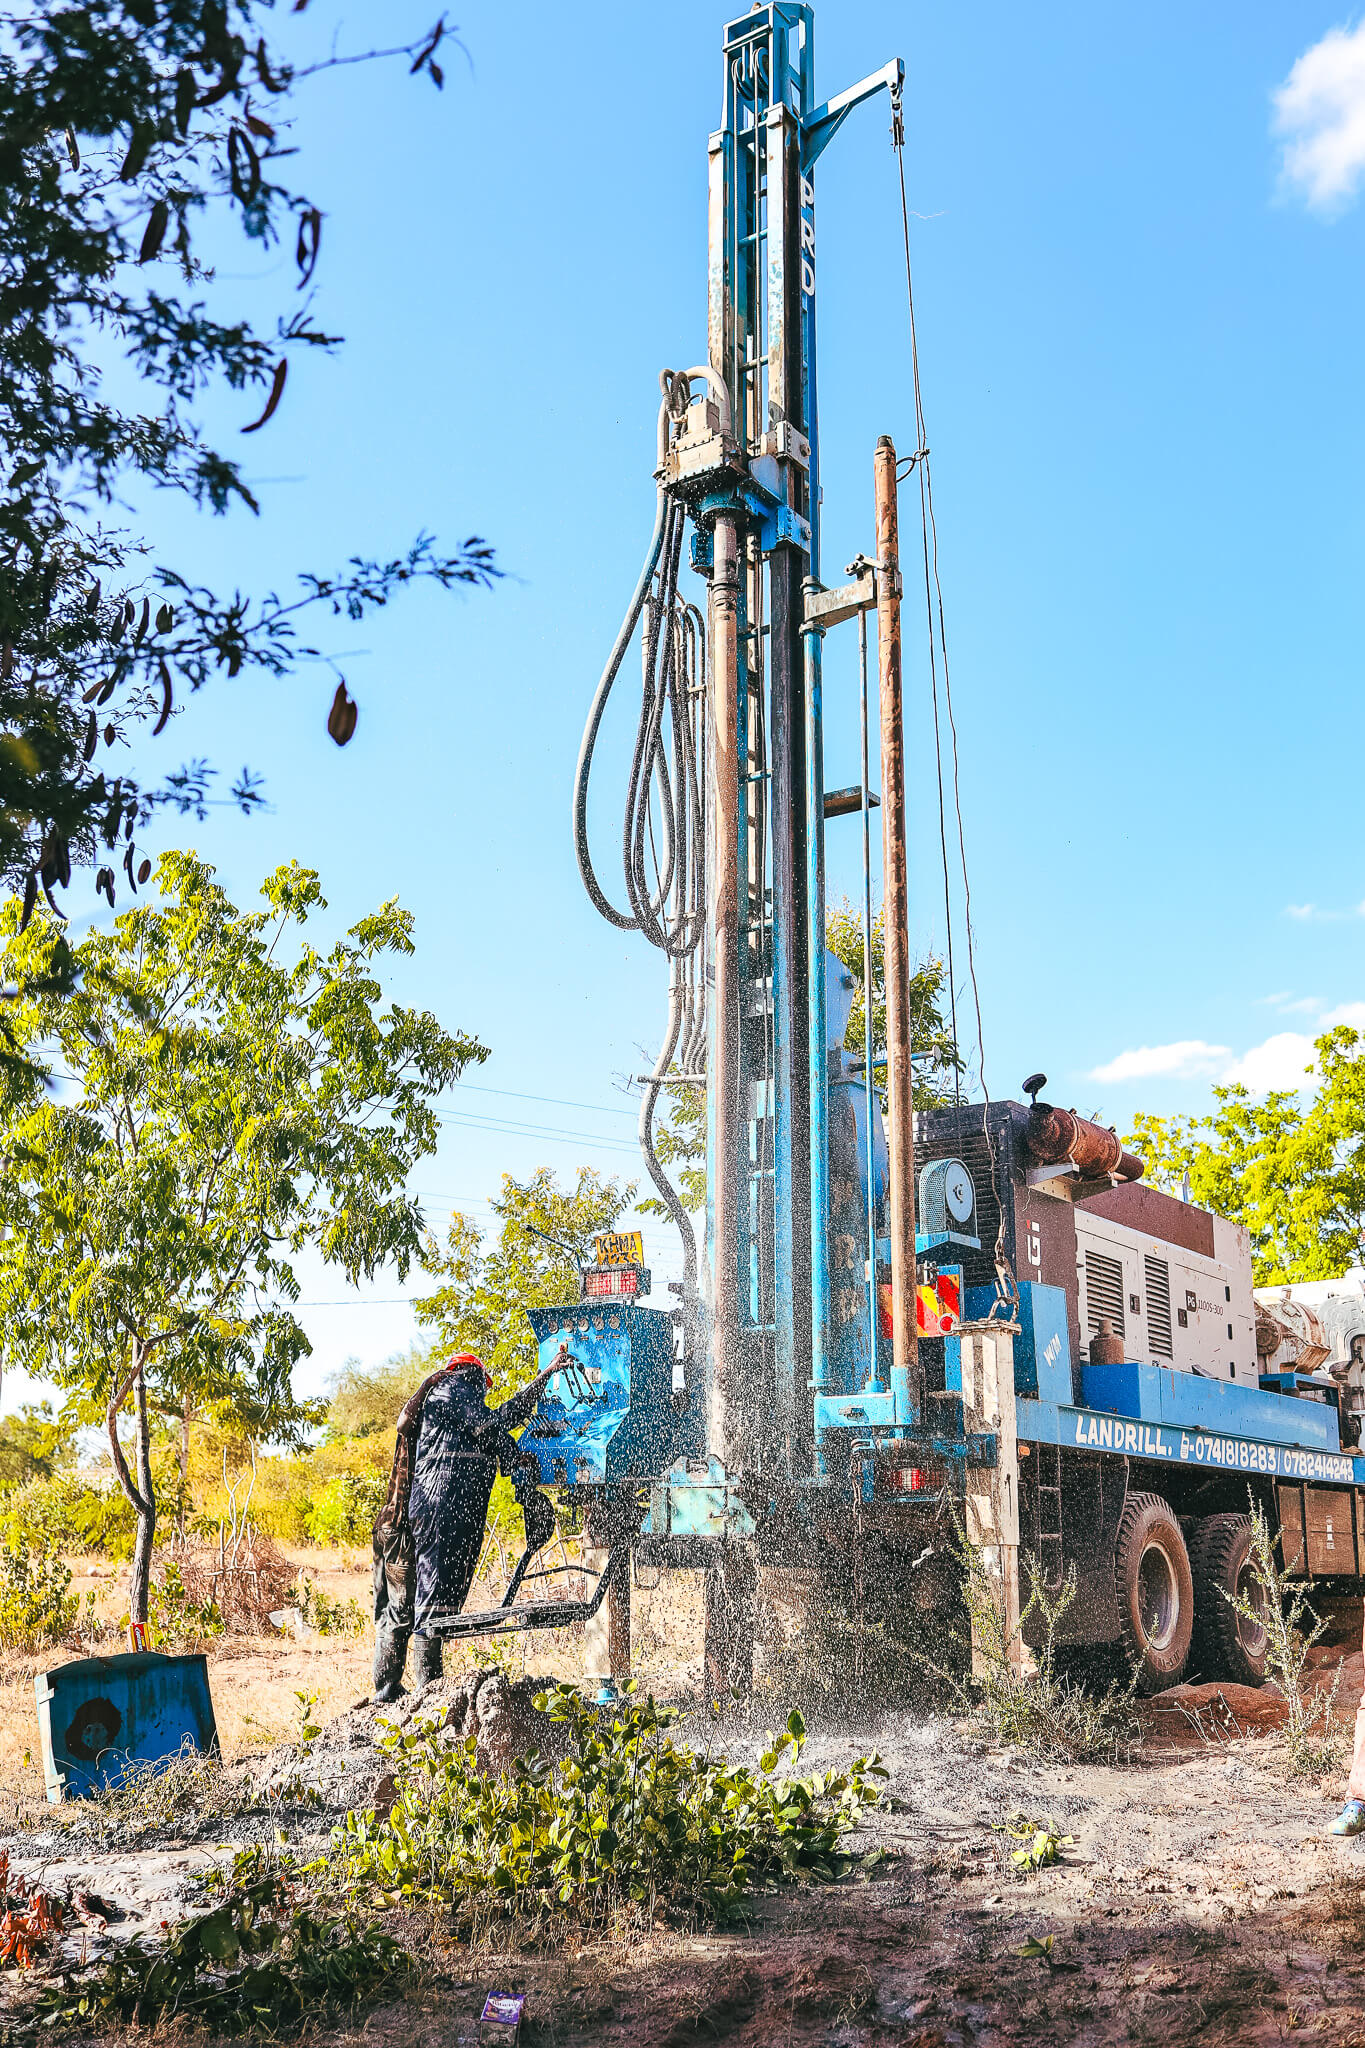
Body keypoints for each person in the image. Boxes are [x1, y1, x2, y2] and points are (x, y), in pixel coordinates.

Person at [371, 1350, 555, 1703]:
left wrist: (544, 1377)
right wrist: (517, 1454)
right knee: (423, 1603)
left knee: (414, 1606)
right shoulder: (453, 1388)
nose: (481, 1397)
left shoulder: (447, 1408)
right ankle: (425, 1694)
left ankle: (393, 1691)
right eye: (481, 1390)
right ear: (473, 1377)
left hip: (415, 1519)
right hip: (430, 1513)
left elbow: (500, 1425)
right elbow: (493, 1424)